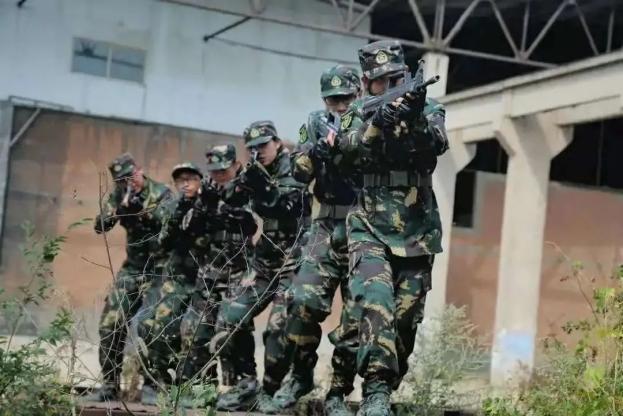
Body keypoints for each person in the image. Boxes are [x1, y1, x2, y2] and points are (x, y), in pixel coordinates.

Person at [335, 40, 449, 415]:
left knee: (405, 319)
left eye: (396, 79)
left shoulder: (428, 108)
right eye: (380, 82)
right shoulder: (355, 113)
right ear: (367, 84)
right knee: (376, 300)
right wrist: (377, 124)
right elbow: (346, 153)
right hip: (368, 225)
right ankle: (376, 390)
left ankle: (386, 382)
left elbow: (436, 147)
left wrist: (412, 118)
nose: (389, 86)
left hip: (418, 230)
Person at [273, 64, 362, 415]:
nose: (339, 105)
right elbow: (297, 171)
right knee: (301, 300)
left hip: (363, 224)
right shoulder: (312, 123)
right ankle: (300, 376)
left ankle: (338, 391)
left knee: (357, 315)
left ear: (358, 93)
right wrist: (314, 153)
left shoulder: (371, 122)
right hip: (325, 224)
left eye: (346, 98)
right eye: (332, 99)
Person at [214, 121, 311, 413]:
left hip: (294, 260)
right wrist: (241, 183)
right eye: (253, 148)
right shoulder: (255, 170)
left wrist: (260, 183)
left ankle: (272, 389)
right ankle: (246, 383)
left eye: (263, 145)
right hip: (265, 261)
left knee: (278, 328)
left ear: (277, 143)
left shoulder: (295, 166)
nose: (259, 152)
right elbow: (230, 198)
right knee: (229, 315)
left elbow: (287, 206)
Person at [86, 152, 171, 402]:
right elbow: (100, 226)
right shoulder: (119, 195)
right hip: (133, 268)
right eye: (122, 180)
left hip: (160, 269)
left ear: (139, 170)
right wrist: (117, 212)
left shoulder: (161, 193)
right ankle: (109, 385)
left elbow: (170, 224)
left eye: (131, 176)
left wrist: (142, 212)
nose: (128, 182)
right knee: (110, 322)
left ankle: (151, 385)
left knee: (150, 324)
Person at [177, 144, 257, 392]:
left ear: (235, 165)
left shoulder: (248, 186)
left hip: (240, 271)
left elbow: (248, 223)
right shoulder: (207, 190)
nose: (218, 175)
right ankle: (203, 389)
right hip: (210, 270)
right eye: (214, 171)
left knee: (230, 328)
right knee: (195, 328)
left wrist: (219, 207)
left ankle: (239, 387)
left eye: (223, 170)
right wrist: (202, 204)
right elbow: (188, 227)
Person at [136, 161, 207, 405]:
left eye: (191, 178)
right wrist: (178, 215)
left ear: (200, 180)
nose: (185, 184)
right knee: (153, 325)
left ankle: (192, 388)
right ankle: (159, 383)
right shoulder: (172, 207)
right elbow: (163, 243)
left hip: (206, 279)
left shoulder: (211, 204)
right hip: (178, 279)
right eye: (180, 180)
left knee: (193, 330)